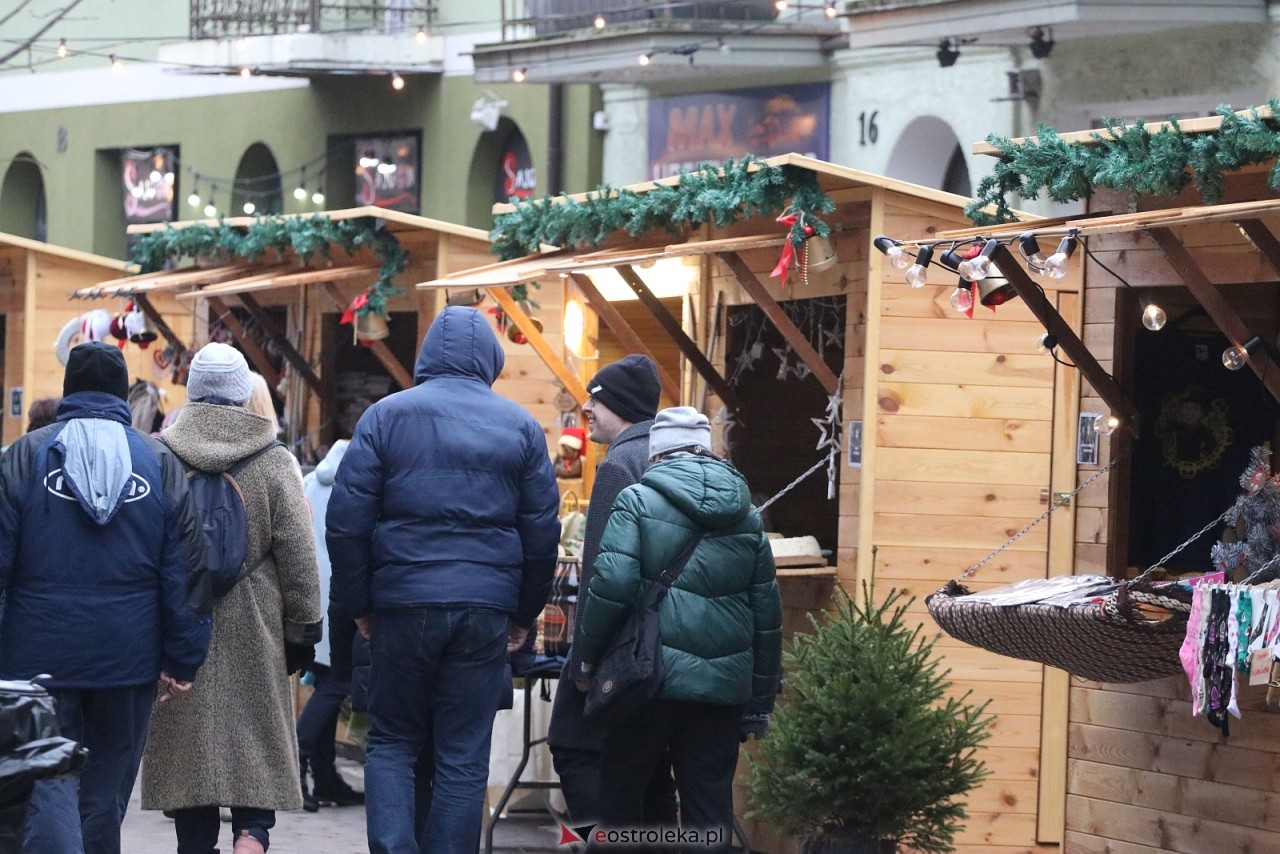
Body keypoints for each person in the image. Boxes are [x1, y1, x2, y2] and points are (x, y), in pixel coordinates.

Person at [327, 305, 560, 854]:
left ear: (427, 354)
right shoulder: (522, 426)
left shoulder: (384, 417)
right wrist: (522, 615)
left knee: (391, 742)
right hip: (485, 610)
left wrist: (360, 603)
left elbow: (345, 522)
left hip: (402, 603)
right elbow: (541, 534)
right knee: (462, 752)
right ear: (491, 359)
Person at [0, 341, 211, 854]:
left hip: (36, 657)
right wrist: (183, 658)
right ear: (121, 392)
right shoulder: (158, 460)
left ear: (70, 387)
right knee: (106, 792)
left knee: (47, 782)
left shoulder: (25, 457)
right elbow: (185, 570)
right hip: (128, 658)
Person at [140, 342, 322, 854]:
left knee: (189, 754)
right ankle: (251, 836)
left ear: (192, 391)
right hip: (256, 621)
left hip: (180, 622)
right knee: (254, 741)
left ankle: (195, 846)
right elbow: (298, 554)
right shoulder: (273, 459)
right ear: (244, 393)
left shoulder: (163, 455)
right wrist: (304, 631)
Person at [576, 407, 782, 850]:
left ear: (656, 453)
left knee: (622, 800)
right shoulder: (747, 517)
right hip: (722, 692)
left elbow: (611, 584)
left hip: (646, 678)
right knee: (709, 812)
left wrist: (588, 659)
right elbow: (767, 617)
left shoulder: (636, 500)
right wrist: (759, 702)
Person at [547, 354, 675, 828]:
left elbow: (605, 574)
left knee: (573, 745)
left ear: (617, 405)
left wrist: (583, 659)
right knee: (653, 772)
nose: (586, 408)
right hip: (666, 650)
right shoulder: (666, 456)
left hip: (622, 645)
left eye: (594, 400)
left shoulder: (619, 465)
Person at [295, 438, 365, 811]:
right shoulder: (361, 482)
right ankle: (299, 758)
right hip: (340, 594)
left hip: (309, 594)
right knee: (337, 682)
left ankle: (323, 776)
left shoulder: (310, 482)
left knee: (326, 681)